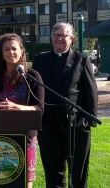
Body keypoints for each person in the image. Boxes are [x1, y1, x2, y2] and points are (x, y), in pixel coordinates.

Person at [32, 22, 98, 187]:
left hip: (75, 124)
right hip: (48, 125)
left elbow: (91, 92)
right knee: (53, 171)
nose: (60, 39)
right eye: (56, 35)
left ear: (72, 38)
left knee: (78, 172)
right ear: (51, 38)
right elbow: (34, 89)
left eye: (64, 36)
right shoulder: (40, 60)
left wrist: (89, 120)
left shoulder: (81, 59)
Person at [0, 33, 44, 188]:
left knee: (25, 181)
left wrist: (18, 107)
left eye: (14, 49)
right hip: (0, 137)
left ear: (21, 51)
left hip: (26, 136)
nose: (11, 52)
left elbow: (39, 108)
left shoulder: (32, 75)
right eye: (6, 49)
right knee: (2, 179)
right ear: (1, 53)